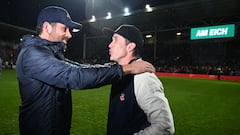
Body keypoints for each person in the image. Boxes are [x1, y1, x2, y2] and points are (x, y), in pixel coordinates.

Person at [16, 6, 155, 135]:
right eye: (65, 29)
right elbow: (76, 76)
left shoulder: (50, 54)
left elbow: (82, 68)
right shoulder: (33, 54)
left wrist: (118, 68)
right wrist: (126, 68)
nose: (69, 35)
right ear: (47, 27)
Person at [103, 24, 175, 135]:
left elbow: (164, 126)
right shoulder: (122, 73)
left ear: (130, 47)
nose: (109, 45)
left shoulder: (144, 78)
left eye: (115, 40)